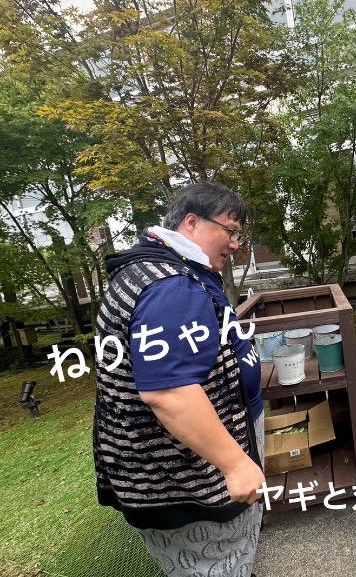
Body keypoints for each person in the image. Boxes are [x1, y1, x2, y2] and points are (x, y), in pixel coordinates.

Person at [93, 183, 265, 577]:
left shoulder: (163, 270)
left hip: (176, 469)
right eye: (231, 231)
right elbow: (170, 393)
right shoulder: (171, 286)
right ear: (192, 221)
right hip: (188, 478)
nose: (236, 244)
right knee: (215, 567)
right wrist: (235, 464)